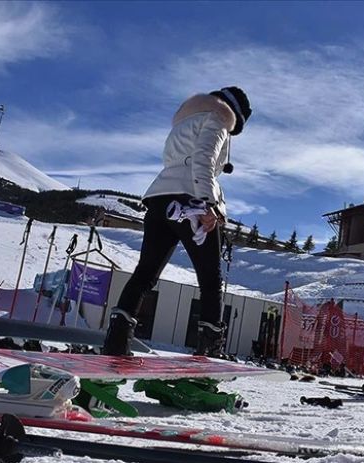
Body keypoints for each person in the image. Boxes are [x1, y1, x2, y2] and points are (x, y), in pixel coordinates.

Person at [103, 87, 252, 357]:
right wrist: (208, 203)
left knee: (145, 273)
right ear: (236, 116)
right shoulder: (218, 119)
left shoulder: (183, 124)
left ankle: (116, 341)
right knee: (210, 279)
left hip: (159, 198)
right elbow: (203, 159)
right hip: (192, 200)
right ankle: (209, 351)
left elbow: (178, 161)